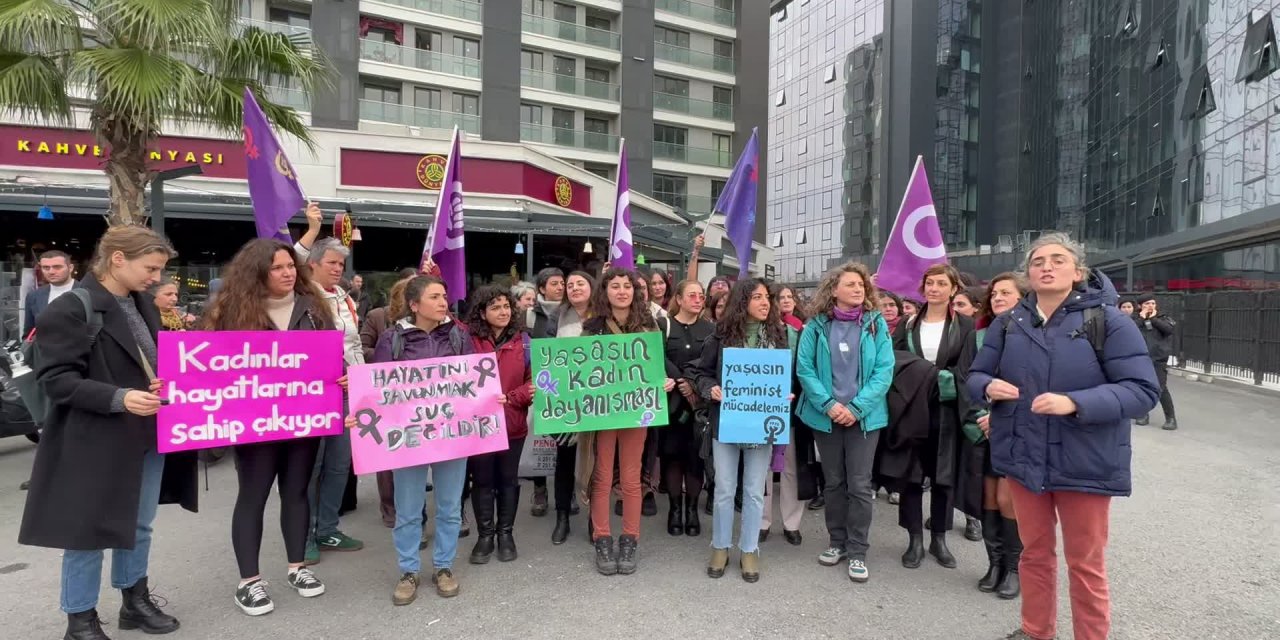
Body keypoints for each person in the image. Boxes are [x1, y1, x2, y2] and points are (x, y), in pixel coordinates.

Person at [967, 233, 1159, 640]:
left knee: (1085, 563)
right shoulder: (1007, 323)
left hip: (1085, 459)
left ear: (1077, 270)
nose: (1047, 267)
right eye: (1038, 261)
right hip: (1023, 455)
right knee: (1034, 554)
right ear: (1028, 273)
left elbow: (1143, 391)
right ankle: (1037, 631)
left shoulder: (1108, 321)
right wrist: (987, 387)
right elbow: (976, 375)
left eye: (1057, 259)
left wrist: (1075, 402)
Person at [20, 226, 196, 640]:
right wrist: (120, 397)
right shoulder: (67, 310)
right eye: (150, 268)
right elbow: (57, 382)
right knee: (87, 532)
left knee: (139, 524)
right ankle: (80, 620)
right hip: (94, 439)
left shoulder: (141, 304)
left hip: (147, 434)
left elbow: (145, 363)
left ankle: (134, 601)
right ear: (118, 258)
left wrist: (160, 383)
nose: (156, 277)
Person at [204, 239, 339, 616]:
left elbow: (330, 357)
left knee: (296, 492)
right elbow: (209, 367)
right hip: (255, 423)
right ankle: (250, 581)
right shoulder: (230, 311)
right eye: (277, 267)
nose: (287, 272)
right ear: (257, 272)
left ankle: (298, 568)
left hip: (304, 419)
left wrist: (339, 378)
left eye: (290, 266)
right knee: (254, 494)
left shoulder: (313, 308)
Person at [367, 275, 474, 606]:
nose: (444, 302)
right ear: (414, 305)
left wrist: (489, 402)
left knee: (449, 507)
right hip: (409, 437)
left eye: (444, 296)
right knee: (409, 508)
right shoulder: (392, 339)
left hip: (451, 434)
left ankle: (443, 566)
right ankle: (408, 570)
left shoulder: (458, 335)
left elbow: (473, 380)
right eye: (435, 297)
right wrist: (363, 411)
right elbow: (377, 388)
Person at [795, 262, 895, 583]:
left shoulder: (876, 324)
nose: (858, 289)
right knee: (834, 482)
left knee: (860, 484)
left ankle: (858, 551)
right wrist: (828, 405)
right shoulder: (815, 326)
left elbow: (884, 372)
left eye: (861, 285)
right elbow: (804, 370)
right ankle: (836, 542)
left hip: (863, 418)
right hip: (826, 416)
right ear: (833, 289)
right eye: (850, 284)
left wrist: (855, 407)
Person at [692, 278, 795, 583]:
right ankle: (720, 546)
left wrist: (784, 395)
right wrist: (711, 389)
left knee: (753, 491)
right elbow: (700, 372)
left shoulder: (778, 336)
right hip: (726, 424)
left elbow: (783, 376)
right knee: (724, 489)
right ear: (742, 302)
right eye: (758, 297)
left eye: (768, 297)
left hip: (761, 425)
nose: (766, 303)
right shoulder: (721, 335)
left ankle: (749, 548)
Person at [582, 268, 674, 576]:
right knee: (603, 476)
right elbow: (578, 369)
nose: (622, 291)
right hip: (603, 412)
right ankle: (602, 537)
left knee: (632, 478)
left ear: (635, 292)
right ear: (605, 292)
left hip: (637, 411)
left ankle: (630, 538)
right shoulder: (592, 327)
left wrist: (664, 382)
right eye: (615, 286)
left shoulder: (650, 326)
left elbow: (655, 367)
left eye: (627, 287)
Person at [888, 264, 976, 571]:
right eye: (930, 283)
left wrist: (940, 379)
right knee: (911, 472)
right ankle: (914, 539)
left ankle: (939, 537)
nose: (935, 288)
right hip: (912, 406)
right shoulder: (908, 323)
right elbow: (895, 360)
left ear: (954, 289)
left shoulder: (965, 325)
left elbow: (968, 368)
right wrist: (922, 377)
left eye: (941, 283)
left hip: (948, 407)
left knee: (943, 475)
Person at [294, 223, 365, 561]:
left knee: (339, 465)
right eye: (331, 263)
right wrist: (312, 229)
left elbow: (354, 346)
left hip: (347, 391)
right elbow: (292, 259)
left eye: (340, 264)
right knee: (312, 465)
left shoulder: (345, 298)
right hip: (312, 393)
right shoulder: (300, 295)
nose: (338, 269)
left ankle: (328, 529)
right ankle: (304, 534)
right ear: (312, 265)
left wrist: (360, 377)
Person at [967, 272, 1028, 600]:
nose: (998, 298)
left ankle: (1014, 568)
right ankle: (994, 564)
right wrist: (981, 416)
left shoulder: (1034, 333)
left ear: (1023, 297)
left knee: (1008, 499)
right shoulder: (982, 333)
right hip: (985, 428)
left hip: (1015, 427)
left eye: (1006, 292)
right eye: (994, 294)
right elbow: (973, 378)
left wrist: (999, 416)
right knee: (988, 497)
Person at [465, 286, 534, 564]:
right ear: (482, 312)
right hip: (478, 425)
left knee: (507, 479)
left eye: (506, 306)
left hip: (512, 423)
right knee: (482, 480)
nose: (503, 311)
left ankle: (506, 533)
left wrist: (512, 398)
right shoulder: (467, 340)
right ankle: (485, 535)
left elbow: (534, 382)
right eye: (495, 307)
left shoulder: (525, 341)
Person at [656, 280, 714, 537]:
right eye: (692, 295)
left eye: (701, 295)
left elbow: (712, 362)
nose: (698, 299)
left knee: (695, 458)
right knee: (671, 456)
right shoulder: (663, 326)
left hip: (699, 406)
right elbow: (656, 356)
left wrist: (693, 384)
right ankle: (674, 509)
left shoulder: (712, 329)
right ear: (678, 299)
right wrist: (681, 381)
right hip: (671, 404)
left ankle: (691, 510)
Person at [360, 276, 413, 528]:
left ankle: (411, 507)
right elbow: (362, 348)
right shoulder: (378, 317)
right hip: (387, 392)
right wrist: (391, 354)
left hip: (417, 396)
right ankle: (389, 507)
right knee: (389, 453)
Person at [545, 271, 594, 544]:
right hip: (566, 400)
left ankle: (594, 519)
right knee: (565, 458)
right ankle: (562, 515)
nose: (574, 288)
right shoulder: (557, 316)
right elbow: (547, 355)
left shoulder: (604, 314)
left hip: (600, 399)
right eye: (570, 284)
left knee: (597, 462)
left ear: (592, 287)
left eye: (581, 283)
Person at [1134, 295, 1178, 430]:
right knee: (1142, 387)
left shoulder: (1163, 318)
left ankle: (1171, 418)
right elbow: (1129, 330)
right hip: (1140, 358)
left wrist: (1153, 319)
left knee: (1161, 388)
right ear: (1140, 306)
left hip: (1158, 359)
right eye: (1147, 303)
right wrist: (1142, 318)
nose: (1151, 306)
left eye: (1153, 303)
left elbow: (1169, 330)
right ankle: (1143, 414)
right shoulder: (1135, 319)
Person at [23, 249, 78, 336]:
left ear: (70, 268)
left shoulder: (87, 292)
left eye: (57, 267)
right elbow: (29, 333)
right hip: (42, 348)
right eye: (46, 268)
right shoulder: (34, 296)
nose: (51, 272)